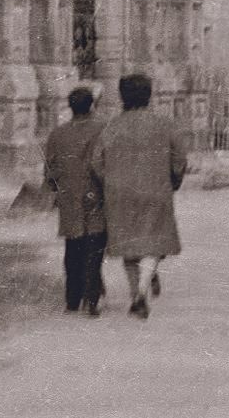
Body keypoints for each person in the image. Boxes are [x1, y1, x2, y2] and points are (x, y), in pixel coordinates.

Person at [90, 69, 187, 318]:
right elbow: (179, 159)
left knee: (129, 245)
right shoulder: (165, 124)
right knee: (153, 243)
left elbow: (97, 161)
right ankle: (143, 289)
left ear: (122, 96)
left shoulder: (112, 126)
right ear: (149, 95)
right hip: (156, 190)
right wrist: (173, 181)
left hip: (119, 193)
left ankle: (136, 293)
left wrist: (109, 182)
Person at [43, 84, 106, 316]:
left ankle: (72, 299)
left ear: (70, 107)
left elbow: (50, 168)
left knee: (73, 247)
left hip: (69, 195)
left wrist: (55, 188)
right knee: (94, 246)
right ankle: (92, 298)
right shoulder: (103, 129)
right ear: (91, 106)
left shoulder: (57, 134)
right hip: (96, 193)